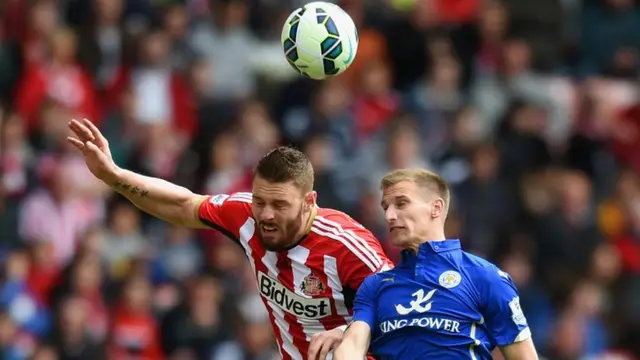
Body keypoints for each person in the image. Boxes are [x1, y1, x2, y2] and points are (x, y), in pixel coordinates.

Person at [66, 119, 393, 360]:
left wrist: (344, 332)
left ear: (309, 202)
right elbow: (182, 204)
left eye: (280, 205)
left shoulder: (347, 246)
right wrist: (116, 177)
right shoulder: (245, 216)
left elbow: (405, 307)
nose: (265, 215)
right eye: (260, 201)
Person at [334, 168, 539, 360]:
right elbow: (353, 343)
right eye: (385, 207)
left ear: (436, 208)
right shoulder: (375, 286)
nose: (389, 216)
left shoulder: (484, 277)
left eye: (401, 203)